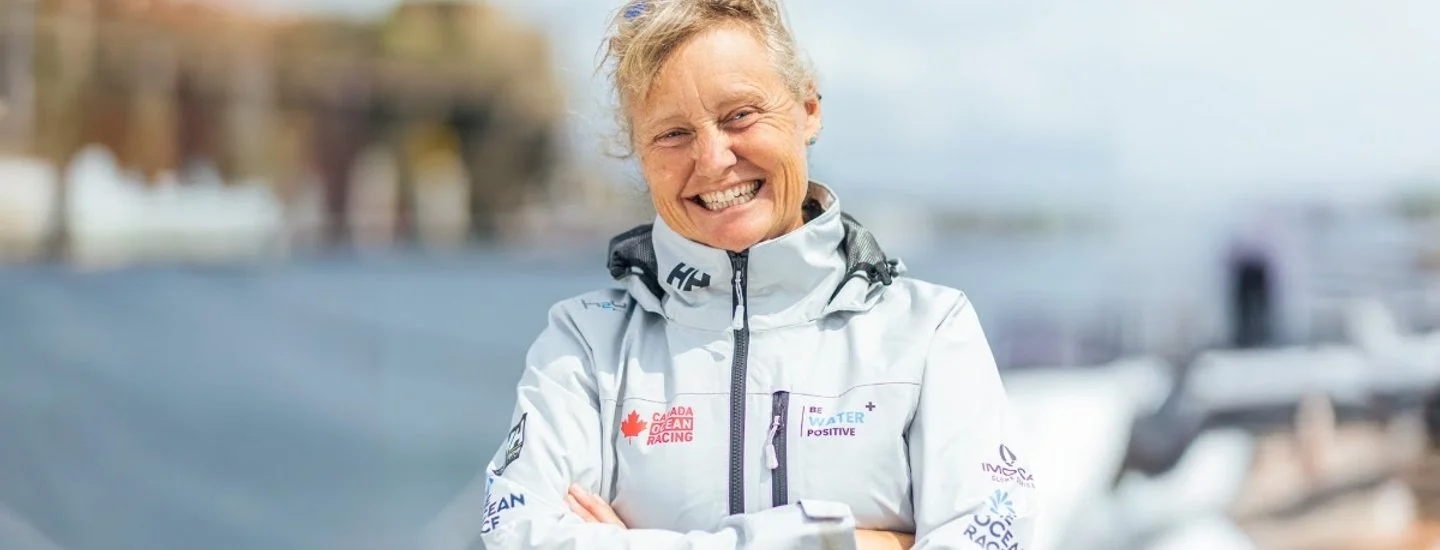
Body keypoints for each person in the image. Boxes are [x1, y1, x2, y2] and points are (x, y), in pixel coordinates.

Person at [423, 0, 1039, 548]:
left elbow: (989, 536)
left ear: (808, 110)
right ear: (637, 153)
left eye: (740, 115)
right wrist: (838, 542)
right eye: (672, 134)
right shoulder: (584, 347)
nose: (713, 160)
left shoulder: (931, 332)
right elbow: (519, 534)